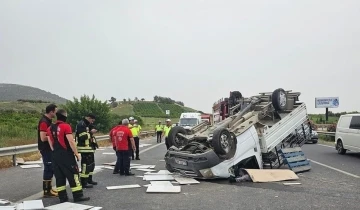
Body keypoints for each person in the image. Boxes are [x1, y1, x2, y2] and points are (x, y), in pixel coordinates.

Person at [47, 109, 90, 203]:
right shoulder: (66, 126)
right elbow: (71, 141)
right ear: (65, 116)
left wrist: (54, 151)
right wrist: (76, 153)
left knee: (59, 177)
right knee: (74, 175)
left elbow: (50, 142)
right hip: (66, 155)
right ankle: (78, 196)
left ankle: (62, 197)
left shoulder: (50, 128)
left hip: (55, 155)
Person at [38, 103, 58, 198]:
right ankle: (46, 191)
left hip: (49, 148)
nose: (56, 113)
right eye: (55, 111)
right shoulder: (44, 122)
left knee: (51, 168)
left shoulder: (49, 121)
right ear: (51, 112)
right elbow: (43, 138)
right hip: (46, 149)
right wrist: (54, 136)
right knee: (48, 168)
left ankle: (49, 188)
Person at [75, 114, 97, 188]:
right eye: (92, 120)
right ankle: (84, 182)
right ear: (88, 118)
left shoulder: (87, 124)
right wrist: (91, 133)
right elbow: (82, 137)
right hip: (84, 148)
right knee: (86, 166)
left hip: (90, 148)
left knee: (91, 165)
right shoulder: (81, 124)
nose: (92, 122)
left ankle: (89, 180)